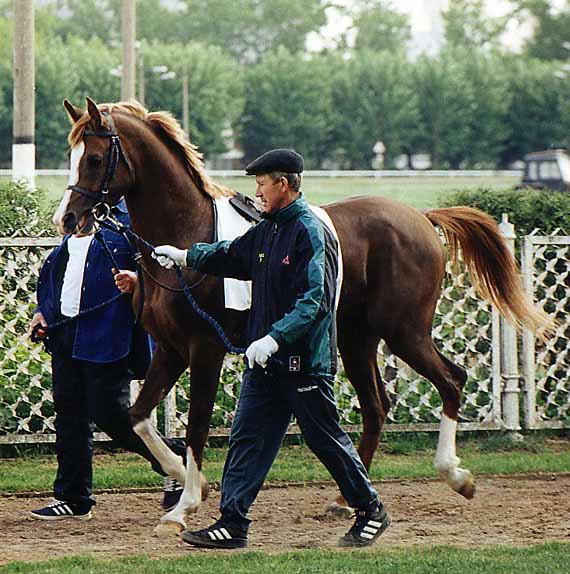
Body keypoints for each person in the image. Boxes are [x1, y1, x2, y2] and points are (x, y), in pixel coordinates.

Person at [153, 149, 391, 549]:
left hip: (302, 363)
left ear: (283, 184)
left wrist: (274, 337)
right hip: (265, 364)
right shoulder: (269, 229)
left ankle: (371, 510)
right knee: (246, 439)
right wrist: (185, 256)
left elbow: (314, 300)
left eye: (262, 184)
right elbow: (231, 255)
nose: (257, 192)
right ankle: (232, 522)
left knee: (325, 440)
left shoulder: (309, 232)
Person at [29, 199, 185, 521]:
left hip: (108, 335)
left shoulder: (133, 219)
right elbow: (58, 272)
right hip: (66, 335)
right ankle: (73, 499)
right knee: (69, 416)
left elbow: (163, 275)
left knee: (110, 415)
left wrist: (137, 282)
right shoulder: (79, 211)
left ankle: (172, 459)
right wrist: (41, 312)